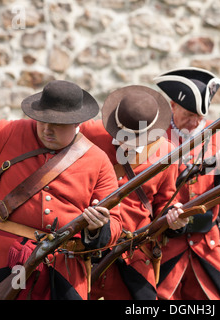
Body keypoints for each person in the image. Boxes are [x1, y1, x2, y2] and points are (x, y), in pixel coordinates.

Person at [0, 80, 122, 300]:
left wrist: (97, 228)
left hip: (63, 268)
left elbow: (115, 222)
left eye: (57, 123)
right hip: (1, 259)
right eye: (43, 120)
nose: (47, 129)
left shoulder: (98, 160)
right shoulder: (11, 132)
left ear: (78, 122)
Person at [79, 85, 188, 300]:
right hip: (86, 248)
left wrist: (174, 219)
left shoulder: (166, 152)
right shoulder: (89, 133)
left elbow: (163, 205)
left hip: (133, 253)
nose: (123, 142)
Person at [153, 67, 220, 300]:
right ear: (172, 105)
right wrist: (210, 165)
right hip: (166, 244)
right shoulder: (155, 135)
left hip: (207, 245)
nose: (194, 122)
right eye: (188, 114)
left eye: (199, 116)